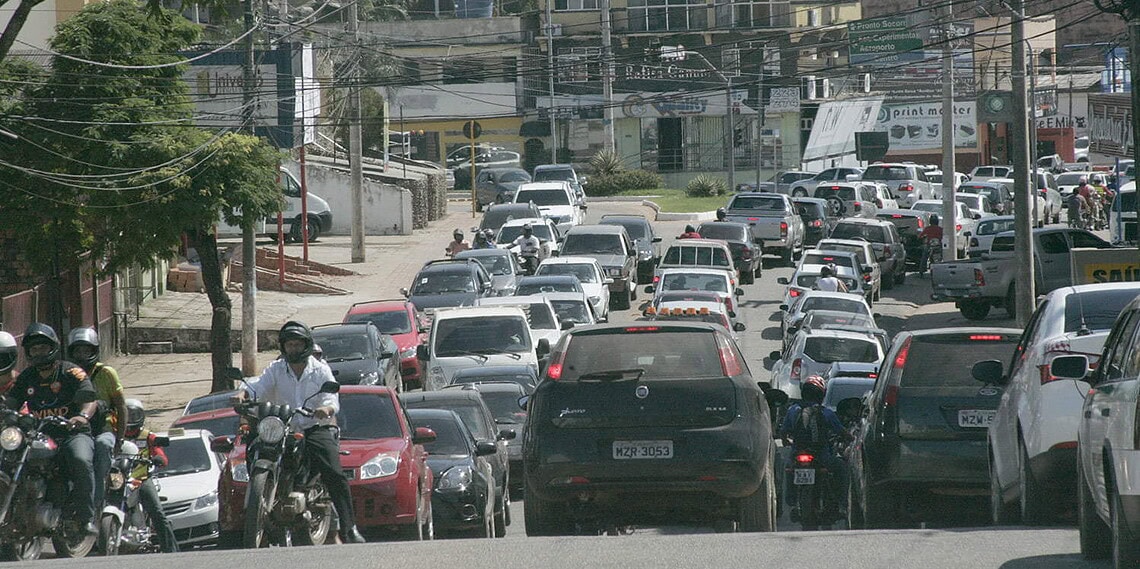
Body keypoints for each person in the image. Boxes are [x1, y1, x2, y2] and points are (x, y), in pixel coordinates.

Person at [231, 321, 365, 544]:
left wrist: (326, 409)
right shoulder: (276, 368)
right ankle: (260, 507)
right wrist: (243, 393)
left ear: (306, 345)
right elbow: (259, 385)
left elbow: (331, 397)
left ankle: (349, 528)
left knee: (334, 471)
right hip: (281, 426)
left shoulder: (320, 369)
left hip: (311, 426)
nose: (292, 348)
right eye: (289, 345)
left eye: (296, 344)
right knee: (253, 445)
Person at [6, 323, 99, 535]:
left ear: (53, 347)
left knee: (80, 460)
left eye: (42, 347)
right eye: (34, 348)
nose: (38, 352)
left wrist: (82, 416)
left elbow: (90, 399)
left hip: (71, 433)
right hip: (39, 435)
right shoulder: (26, 377)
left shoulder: (71, 372)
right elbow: (11, 401)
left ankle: (86, 518)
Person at [67, 327, 128, 519]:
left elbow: (121, 407)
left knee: (101, 449)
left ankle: (95, 507)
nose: (82, 355)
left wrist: (120, 439)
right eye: (78, 351)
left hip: (103, 428)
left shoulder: (106, 372)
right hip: (76, 430)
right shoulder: (68, 374)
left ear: (94, 351)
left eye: (86, 350)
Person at [777, 375, 851, 518]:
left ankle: (791, 500)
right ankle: (843, 504)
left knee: (787, 468)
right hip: (821, 456)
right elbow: (841, 431)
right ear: (821, 394)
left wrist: (786, 441)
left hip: (797, 453)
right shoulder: (826, 413)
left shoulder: (793, 410)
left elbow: (784, 432)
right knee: (842, 468)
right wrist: (852, 438)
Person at [122, 399, 178, 553]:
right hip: (120, 480)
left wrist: (157, 459)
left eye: (134, 415)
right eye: (127, 415)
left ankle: (171, 550)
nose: (130, 420)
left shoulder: (148, 436)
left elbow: (162, 458)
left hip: (142, 479)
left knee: (158, 512)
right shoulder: (115, 436)